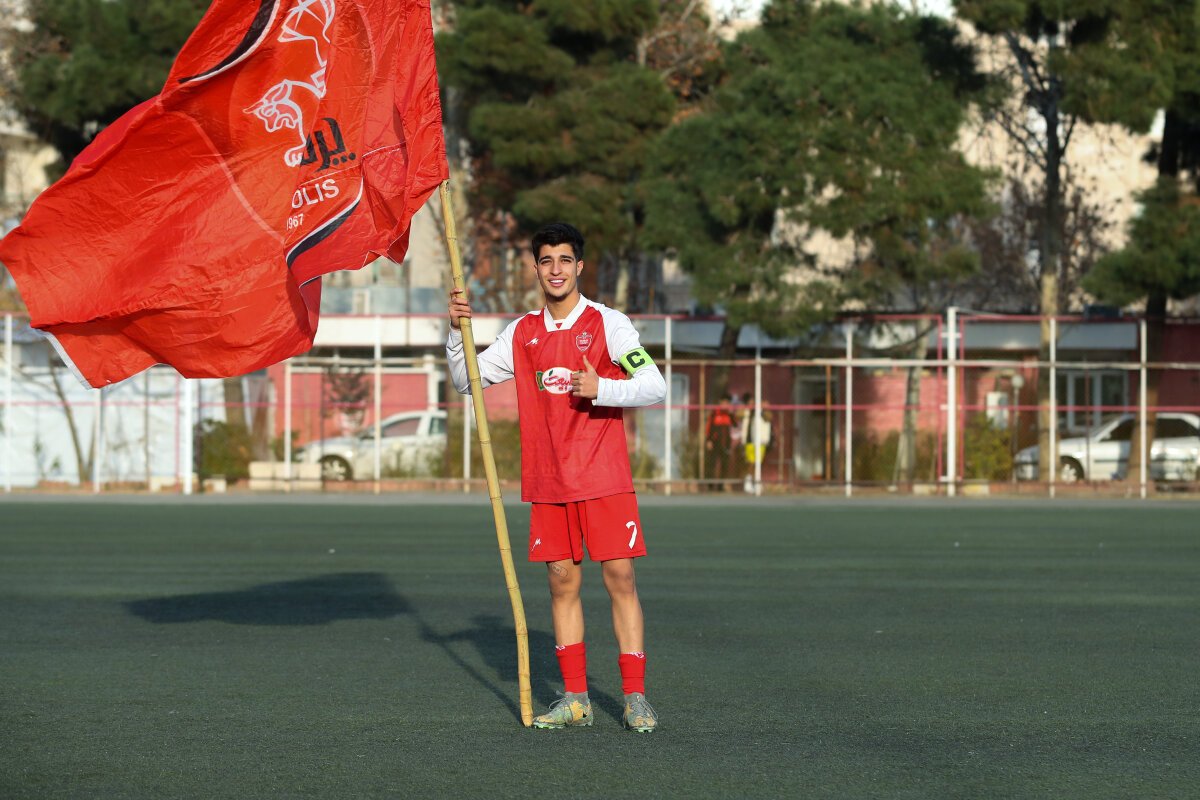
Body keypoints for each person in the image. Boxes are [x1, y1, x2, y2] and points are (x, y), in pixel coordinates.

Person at [446, 222, 667, 732]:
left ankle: (635, 697)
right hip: (548, 482)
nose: (556, 269)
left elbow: (653, 384)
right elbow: (465, 380)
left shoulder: (609, 323)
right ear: (536, 268)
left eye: (565, 259)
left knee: (620, 578)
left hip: (604, 476)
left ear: (579, 266)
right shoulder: (522, 332)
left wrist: (602, 388)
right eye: (546, 260)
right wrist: (456, 333)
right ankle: (575, 700)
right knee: (561, 583)